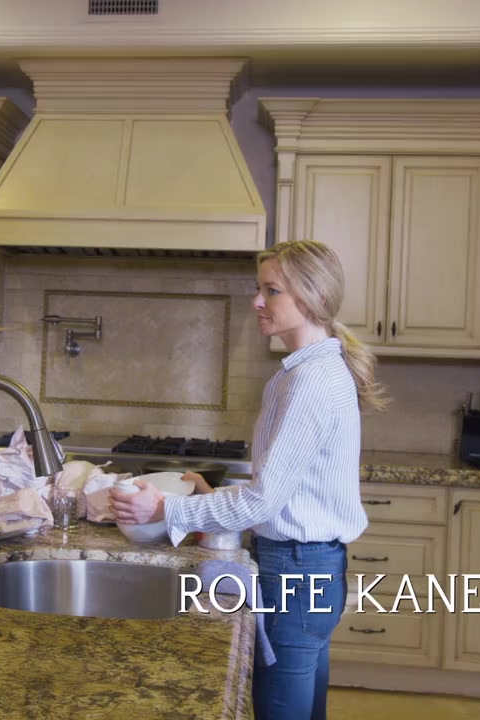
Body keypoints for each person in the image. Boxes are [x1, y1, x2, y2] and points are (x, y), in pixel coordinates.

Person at [111, 239, 388, 720]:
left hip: (296, 574)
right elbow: (285, 492)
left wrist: (164, 508)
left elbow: (263, 501)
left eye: (271, 291)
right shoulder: (308, 371)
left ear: (312, 297)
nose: (257, 301)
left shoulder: (311, 381)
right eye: (259, 288)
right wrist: (214, 496)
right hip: (311, 568)